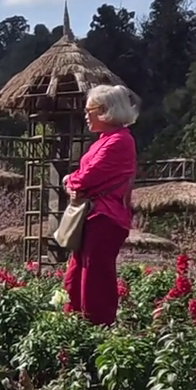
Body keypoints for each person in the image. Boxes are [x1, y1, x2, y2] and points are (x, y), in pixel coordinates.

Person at [62, 84, 140, 326]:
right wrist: (74, 181)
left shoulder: (119, 141)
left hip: (105, 217)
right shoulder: (104, 140)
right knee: (78, 273)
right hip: (94, 215)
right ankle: (76, 322)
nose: (86, 115)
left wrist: (69, 180)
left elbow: (87, 177)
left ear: (106, 110)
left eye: (90, 110)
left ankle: (95, 326)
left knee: (94, 276)